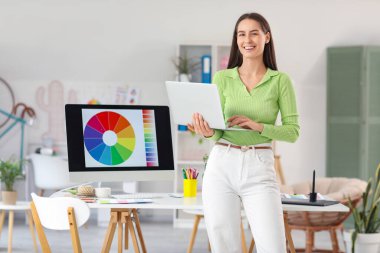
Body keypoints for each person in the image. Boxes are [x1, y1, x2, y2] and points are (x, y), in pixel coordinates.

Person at [187, 13, 300, 253]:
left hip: (259, 165)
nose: (247, 39)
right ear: (236, 40)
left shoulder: (280, 81)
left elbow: (292, 132)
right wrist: (206, 132)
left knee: (273, 246)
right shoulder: (222, 78)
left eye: (254, 33)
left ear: (266, 37)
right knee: (223, 245)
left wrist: (258, 126)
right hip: (221, 162)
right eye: (241, 34)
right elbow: (216, 133)